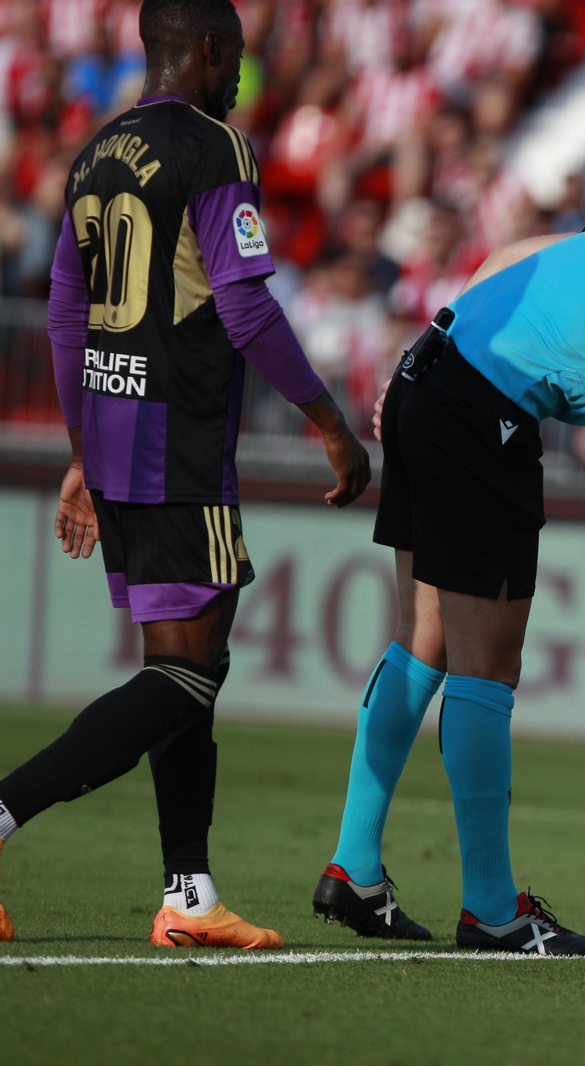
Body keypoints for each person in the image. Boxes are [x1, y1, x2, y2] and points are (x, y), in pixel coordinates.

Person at [0, 0, 370, 948]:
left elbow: (63, 316)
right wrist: (329, 422)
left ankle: (190, 892)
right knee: (186, 677)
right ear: (205, 48)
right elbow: (244, 310)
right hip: (179, 442)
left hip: (117, 435)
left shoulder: (94, 151)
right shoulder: (217, 147)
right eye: (237, 54)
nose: (242, 73)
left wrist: (83, 450)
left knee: (184, 666)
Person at [312, 223, 585, 955]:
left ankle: (355, 868)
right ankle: (492, 910)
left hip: (428, 370)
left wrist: (435, 347)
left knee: (425, 639)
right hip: (481, 412)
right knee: (487, 666)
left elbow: (516, 254)